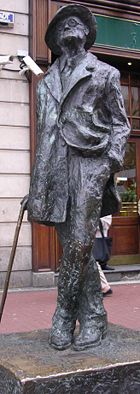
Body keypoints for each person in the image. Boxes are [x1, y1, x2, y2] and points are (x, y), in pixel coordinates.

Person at [27, 4, 130, 351]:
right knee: (76, 247)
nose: (70, 26)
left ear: (87, 34)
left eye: (77, 23)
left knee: (81, 243)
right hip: (55, 171)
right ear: (54, 39)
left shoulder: (105, 74)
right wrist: (36, 186)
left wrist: (109, 162)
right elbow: (43, 136)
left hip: (90, 163)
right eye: (62, 24)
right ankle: (94, 317)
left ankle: (63, 313)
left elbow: (121, 125)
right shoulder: (46, 84)